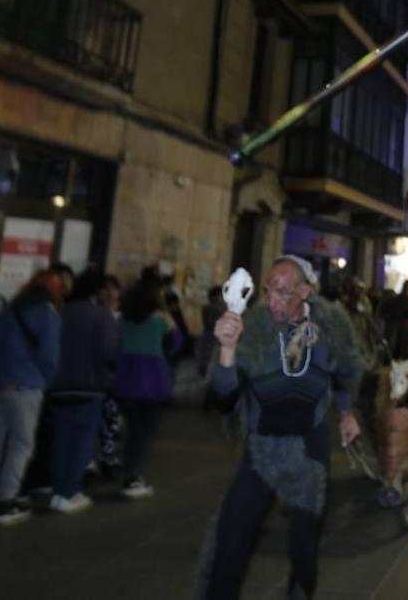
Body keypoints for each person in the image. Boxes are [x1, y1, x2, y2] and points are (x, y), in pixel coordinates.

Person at [197, 255, 363, 599]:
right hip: (263, 448)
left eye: (283, 292)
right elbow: (223, 395)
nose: (272, 300)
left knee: (304, 543)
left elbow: (343, 371)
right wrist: (226, 349)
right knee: (232, 537)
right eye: (268, 290)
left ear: (305, 291)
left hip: (309, 448)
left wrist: (347, 413)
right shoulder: (255, 325)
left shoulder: (329, 324)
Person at [0, 271, 62, 525]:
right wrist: (46, 382)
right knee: (21, 444)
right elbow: (49, 355)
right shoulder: (46, 312)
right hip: (24, 385)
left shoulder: (6, 312)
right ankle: (6, 501)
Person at [47, 269, 120, 512]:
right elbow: (110, 352)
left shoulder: (60, 313)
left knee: (62, 439)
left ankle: (59, 490)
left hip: (59, 385)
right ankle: (69, 492)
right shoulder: (102, 316)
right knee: (83, 441)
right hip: (90, 386)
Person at [111, 275, 181, 501]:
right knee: (144, 432)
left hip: (124, 378)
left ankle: (126, 470)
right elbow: (177, 343)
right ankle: (133, 477)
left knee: (130, 429)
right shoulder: (160, 319)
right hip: (151, 380)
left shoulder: (123, 318)